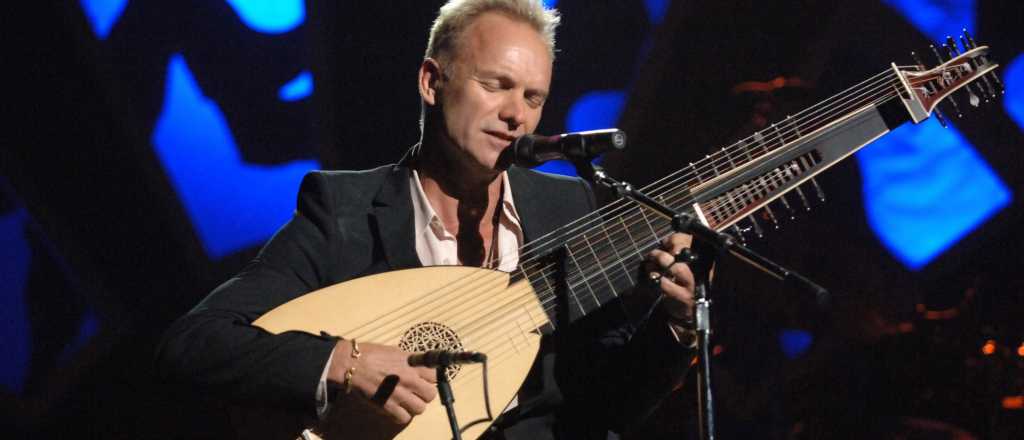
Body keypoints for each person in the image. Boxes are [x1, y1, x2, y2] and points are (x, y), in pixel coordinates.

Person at [156, 1, 698, 438]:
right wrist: (345, 361)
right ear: (431, 82)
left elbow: (606, 410)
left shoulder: (569, 207)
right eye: (496, 85)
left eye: (534, 97)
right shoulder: (343, 211)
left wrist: (673, 325)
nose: (517, 114)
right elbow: (194, 344)